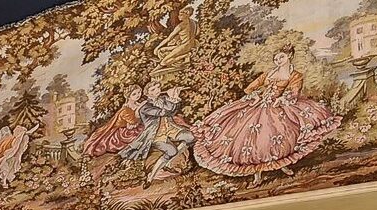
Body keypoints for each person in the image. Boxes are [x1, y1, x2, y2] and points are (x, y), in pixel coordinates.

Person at [192, 47, 340, 185]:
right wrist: (256, 96)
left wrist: (282, 99)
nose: (278, 61)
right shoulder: (269, 73)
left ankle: (282, 165)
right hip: (259, 105)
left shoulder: (295, 75)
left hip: (279, 105)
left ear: (289, 56)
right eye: (276, 59)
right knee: (251, 138)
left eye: (281, 57)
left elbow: (295, 92)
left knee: (280, 136)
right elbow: (250, 88)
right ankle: (257, 173)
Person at [122, 82, 196, 183]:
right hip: (155, 134)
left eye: (158, 87)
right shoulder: (145, 107)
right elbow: (163, 112)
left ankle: (168, 163)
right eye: (153, 89)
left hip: (170, 128)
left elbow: (173, 111)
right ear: (147, 93)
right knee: (172, 151)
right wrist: (173, 98)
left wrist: (175, 98)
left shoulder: (163, 99)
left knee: (191, 137)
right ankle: (151, 176)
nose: (157, 90)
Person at [84, 86, 145, 158]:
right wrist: (138, 110)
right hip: (122, 131)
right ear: (128, 96)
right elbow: (133, 122)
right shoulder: (126, 110)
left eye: (139, 92)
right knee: (139, 134)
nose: (138, 95)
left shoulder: (137, 104)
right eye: (134, 94)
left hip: (132, 127)